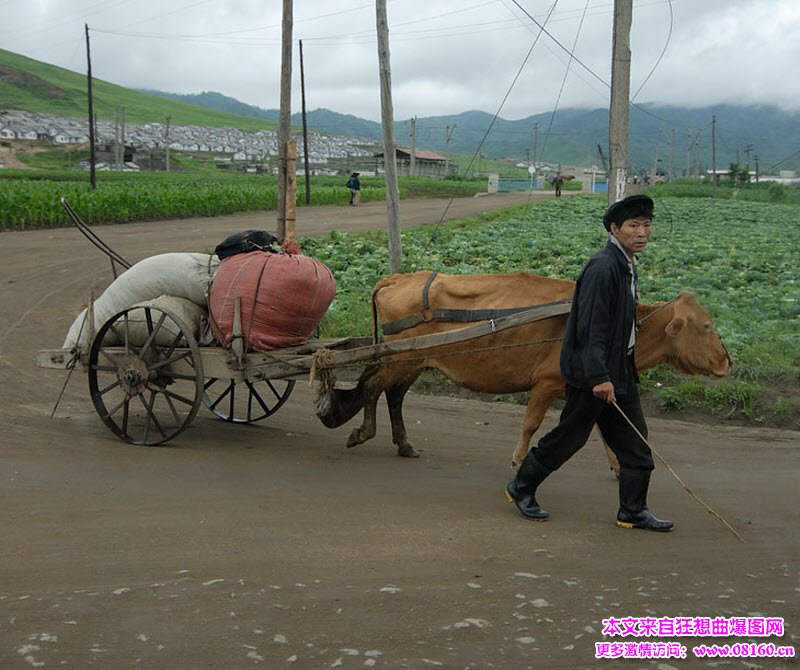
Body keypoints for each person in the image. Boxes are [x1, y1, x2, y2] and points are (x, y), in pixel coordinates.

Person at [505, 194, 673, 532]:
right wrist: (599, 376)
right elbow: (591, 328)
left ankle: (633, 510)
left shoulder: (626, 265)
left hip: (619, 371)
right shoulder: (603, 267)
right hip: (593, 375)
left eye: (646, 225)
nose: (642, 232)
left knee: (635, 441)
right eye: (633, 226)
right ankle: (520, 487)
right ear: (615, 228)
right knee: (570, 437)